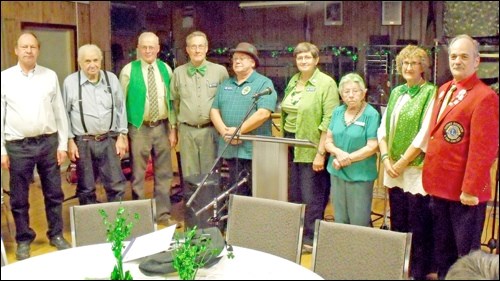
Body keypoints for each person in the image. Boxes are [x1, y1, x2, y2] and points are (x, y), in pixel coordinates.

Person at [423, 34, 499, 279]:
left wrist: (470, 189)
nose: (457, 61)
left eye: (464, 56)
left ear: (476, 62)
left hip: (464, 194)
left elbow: (483, 149)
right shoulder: (444, 90)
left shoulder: (484, 97)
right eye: (453, 56)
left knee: (465, 255)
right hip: (440, 189)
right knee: (443, 251)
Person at [1, 32, 71, 260]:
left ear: (38, 50)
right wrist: (2, 150)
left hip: (47, 143)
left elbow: (60, 112)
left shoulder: (49, 76)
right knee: (19, 198)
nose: (28, 50)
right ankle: (23, 239)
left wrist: (62, 144)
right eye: (24, 47)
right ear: (16, 50)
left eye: (32, 46)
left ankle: (56, 234)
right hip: (17, 146)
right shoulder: (5, 78)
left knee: (54, 193)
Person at [377, 45, 437, 280]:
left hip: (414, 170)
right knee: (398, 220)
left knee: (418, 222)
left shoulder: (430, 93)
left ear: (423, 67)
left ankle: (418, 271)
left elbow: (425, 134)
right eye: (405, 63)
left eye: (414, 63)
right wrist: (385, 158)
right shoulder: (396, 92)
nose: (409, 68)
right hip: (392, 168)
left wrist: (402, 162)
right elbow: (383, 128)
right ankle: (398, 266)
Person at [281, 42, 339, 252]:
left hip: (312, 144)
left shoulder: (326, 83)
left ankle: (311, 239)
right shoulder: (294, 80)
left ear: (316, 60)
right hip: (290, 142)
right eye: (299, 58)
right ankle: (297, 233)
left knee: (312, 194)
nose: (303, 61)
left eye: (307, 58)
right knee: (295, 192)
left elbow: (329, 119)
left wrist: (321, 153)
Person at [119, 32, 178, 224]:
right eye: (144, 47)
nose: (148, 50)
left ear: (158, 48)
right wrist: (122, 133)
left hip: (161, 127)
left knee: (164, 174)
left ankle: (162, 215)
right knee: (138, 175)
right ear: (138, 48)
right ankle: (140, 218)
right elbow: (120, 104)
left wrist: (172, 128)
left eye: (151, 47)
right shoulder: (129, 70)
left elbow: (171, 101)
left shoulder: (166, 69)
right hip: (139, 128)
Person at [62, 44, 128, 205]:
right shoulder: (70, 82)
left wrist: (122, 135)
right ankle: (91, 226)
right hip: (83, 142)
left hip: (109, 139)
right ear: (79, 62)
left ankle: (116, 225)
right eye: (87, 61)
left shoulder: (111, 79)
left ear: (101, 60)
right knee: (86, 187)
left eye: (95, 60)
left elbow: (121, 108)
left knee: (116, 185)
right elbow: (64, 115)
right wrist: (70, 140)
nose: (92, 65)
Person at [210, 42, 277, 196]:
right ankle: (239, 220)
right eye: (234, 59)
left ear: (253, 62)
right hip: (231, 148)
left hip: (254, 151)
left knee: (258, 193)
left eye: (242, 58)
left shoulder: (264, 83)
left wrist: (239, 131)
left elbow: (263, 113)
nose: (237, 61)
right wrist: (225, 132)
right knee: (236, 191)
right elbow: (214, 110)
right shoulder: (226, 84)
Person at [171, 31, 229, 180]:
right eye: (193, 46)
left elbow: (226, 102)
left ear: (206, 48)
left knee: (211, 174)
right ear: (187, 49)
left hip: (211, 132)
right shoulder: (178, 73)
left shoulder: (220, 72)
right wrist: (174, 129)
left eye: (200, 46)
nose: (197, 50)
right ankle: (192, 204)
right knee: (190, 175)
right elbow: (174, 103)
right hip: (187, 132)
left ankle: (210, 203)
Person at [325, 73, 380, 228]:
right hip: (337, 172)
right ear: (341, 94)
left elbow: (372, 146)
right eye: (346, 91)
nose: (350, 95)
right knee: (340, 218)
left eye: (355, 91)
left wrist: (347, 158)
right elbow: (328, 141)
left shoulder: (371, 114)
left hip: (360, 175)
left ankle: (359, 252)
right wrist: (339, 153)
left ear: (364, 93)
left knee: (358, 221)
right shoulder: (337, 112)